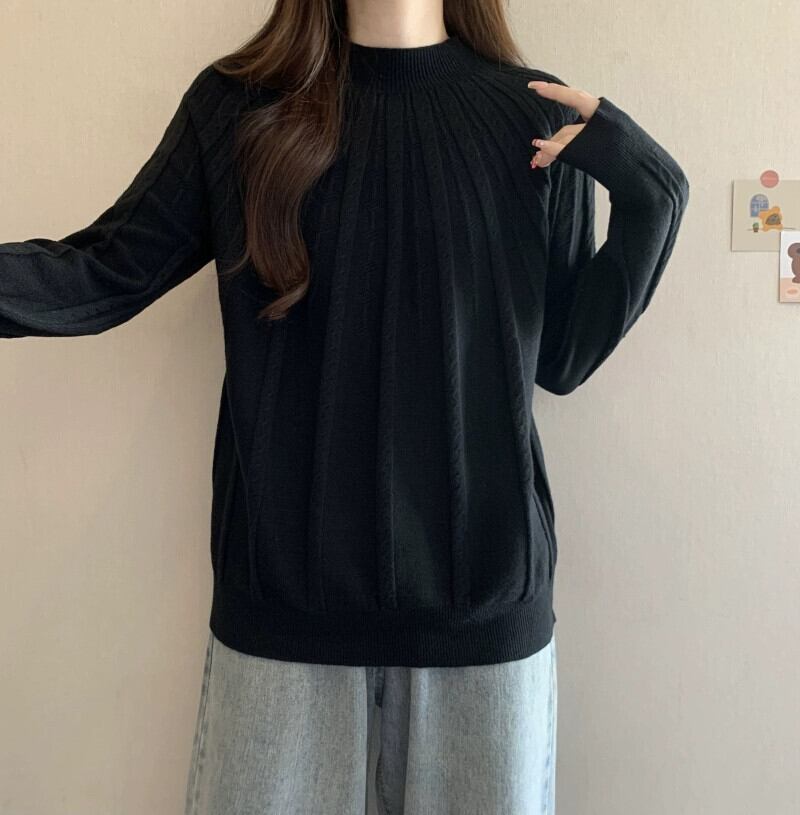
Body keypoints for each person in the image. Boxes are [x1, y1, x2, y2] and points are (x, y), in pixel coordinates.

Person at [1, 1, 689, 813]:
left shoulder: (535, 117)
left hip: (483, 627)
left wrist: (651, 186)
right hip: (281, 626)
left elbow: (564, 360)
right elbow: (103, 270)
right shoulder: (240, 110)